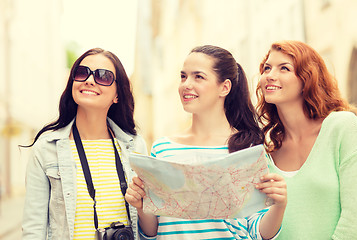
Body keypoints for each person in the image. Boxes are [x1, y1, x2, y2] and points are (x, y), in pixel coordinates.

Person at [125, 45, 287, 239]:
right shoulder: (163, 149)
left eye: (198, 77)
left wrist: (280, 205)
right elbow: (153, 231)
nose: (186, 84)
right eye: (183, 76)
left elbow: (257, 231)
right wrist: (142, 206)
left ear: (224, 87)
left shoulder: (247, 149)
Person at [22, 48, 147, 239]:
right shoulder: (46, 148)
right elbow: (33, 229)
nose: (89, 80)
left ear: (117, 95)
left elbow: (150, 230)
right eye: (82, 73)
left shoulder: (135, 146)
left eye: (103, 76)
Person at [256, 40, 357, 239]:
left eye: (284, 68)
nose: (270, 75)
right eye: (267, 68)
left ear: (307, 79)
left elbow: (354, 217)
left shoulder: (341, 127)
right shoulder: (264, 154)